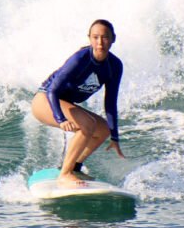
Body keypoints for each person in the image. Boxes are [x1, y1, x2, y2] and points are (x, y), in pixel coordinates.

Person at [31, 19, 126, 185]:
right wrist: (61, 119)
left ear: (113, 39)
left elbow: (110, 102)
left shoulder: (115, 66)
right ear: (89, 38)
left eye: (105, 37)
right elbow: (53, 90)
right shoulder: (80, 59)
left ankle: (74, 167)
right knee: (87, 125)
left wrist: (115, 137)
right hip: (45, 100)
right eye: (95, 37)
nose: (100, 42)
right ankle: (65, 174)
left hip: (65, 102)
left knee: (103, 129)